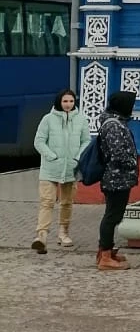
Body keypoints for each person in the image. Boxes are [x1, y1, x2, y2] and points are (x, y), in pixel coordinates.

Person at [31, 88, 90, 254]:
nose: (68, 104)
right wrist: (52, 156)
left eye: (71, 101)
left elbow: (86, 141)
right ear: (59, 102)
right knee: (47, 201)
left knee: (66, 203)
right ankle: (41, 236)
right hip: (50, 168)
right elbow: (39, 141)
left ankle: (63, 233)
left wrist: (78, 157)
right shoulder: (48, 119)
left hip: (71, 169)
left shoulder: (81, 119)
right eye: (65, 101)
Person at [96, 90, 139, 271]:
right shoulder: (114, 125)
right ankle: (105, 256)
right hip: (116, 178)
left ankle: (105, 251)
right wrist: (132, 161)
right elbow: (117, 153)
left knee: (114, 215)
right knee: (112, 216)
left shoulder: (116, 122)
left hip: (118, 177)